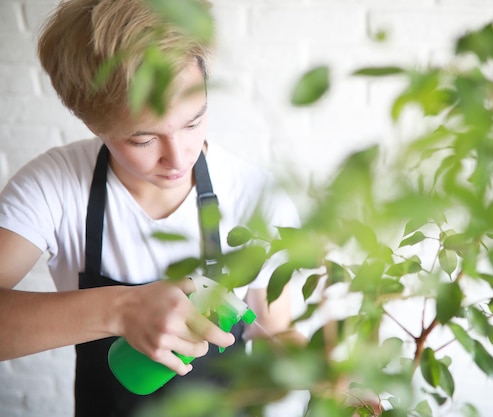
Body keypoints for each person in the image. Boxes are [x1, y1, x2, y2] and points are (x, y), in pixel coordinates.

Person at [0, 0, 301, 416]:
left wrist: (333, 376)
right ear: (93, 122)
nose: (179, 158)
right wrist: (121, 310)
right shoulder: (53, 187)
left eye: (193, 122)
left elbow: (276, 332)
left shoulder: (256, 197)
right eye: (143, 139)